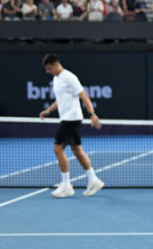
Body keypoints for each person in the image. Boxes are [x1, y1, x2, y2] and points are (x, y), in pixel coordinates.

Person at [38, 54, 105, 198]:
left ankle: (66, 185)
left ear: (56, 64)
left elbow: (84, 96)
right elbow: (60, 99)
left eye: (49, 68)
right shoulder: (56, 79)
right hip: (68, 118)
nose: (47, 72)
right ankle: (94, 180)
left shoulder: (69, 77)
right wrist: (48, 110)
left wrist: (92, 114)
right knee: (77, 150)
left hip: (71, 119)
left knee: (58, 148)